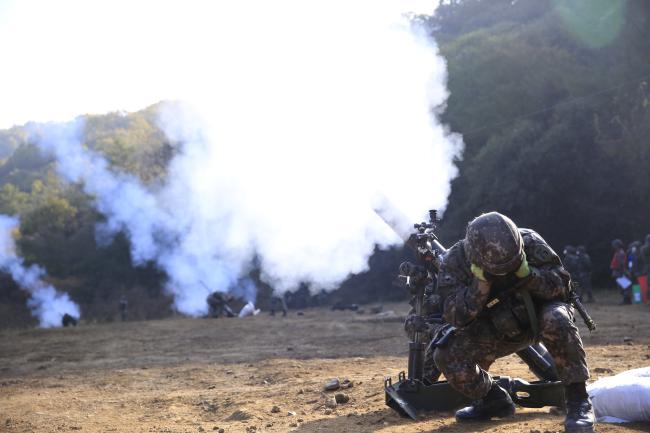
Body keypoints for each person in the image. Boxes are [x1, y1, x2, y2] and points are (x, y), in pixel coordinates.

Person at [432, 212, 593, 433]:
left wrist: (529, 274)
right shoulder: (455, 262)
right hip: (495, 331)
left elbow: (563, 288)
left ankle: (579, 402)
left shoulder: (530, 241)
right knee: (446, 353)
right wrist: (479, 285)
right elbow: (455, 317)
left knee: (558, 317)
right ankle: (493, 399)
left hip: (538, 317)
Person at [610, 239, 629, 304]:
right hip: (618, 271)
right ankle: (626, 299)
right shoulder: (618, 252)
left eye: (614, 245)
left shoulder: (620, 253)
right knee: (622, 286)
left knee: (623, 287)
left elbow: (622, 263)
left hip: (620, 272)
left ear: (617, 245)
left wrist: (623, 272)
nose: (613, 246)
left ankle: (626, 300)